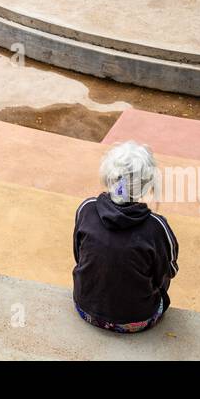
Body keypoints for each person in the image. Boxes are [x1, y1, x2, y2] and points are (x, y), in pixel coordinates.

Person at [72, 141, 178, 333]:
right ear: (147, 184)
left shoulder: (86, 209)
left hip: (85, 308)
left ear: (108, 175)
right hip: (138, 319)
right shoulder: (157, 227)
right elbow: (167, 272)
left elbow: (79, 256)